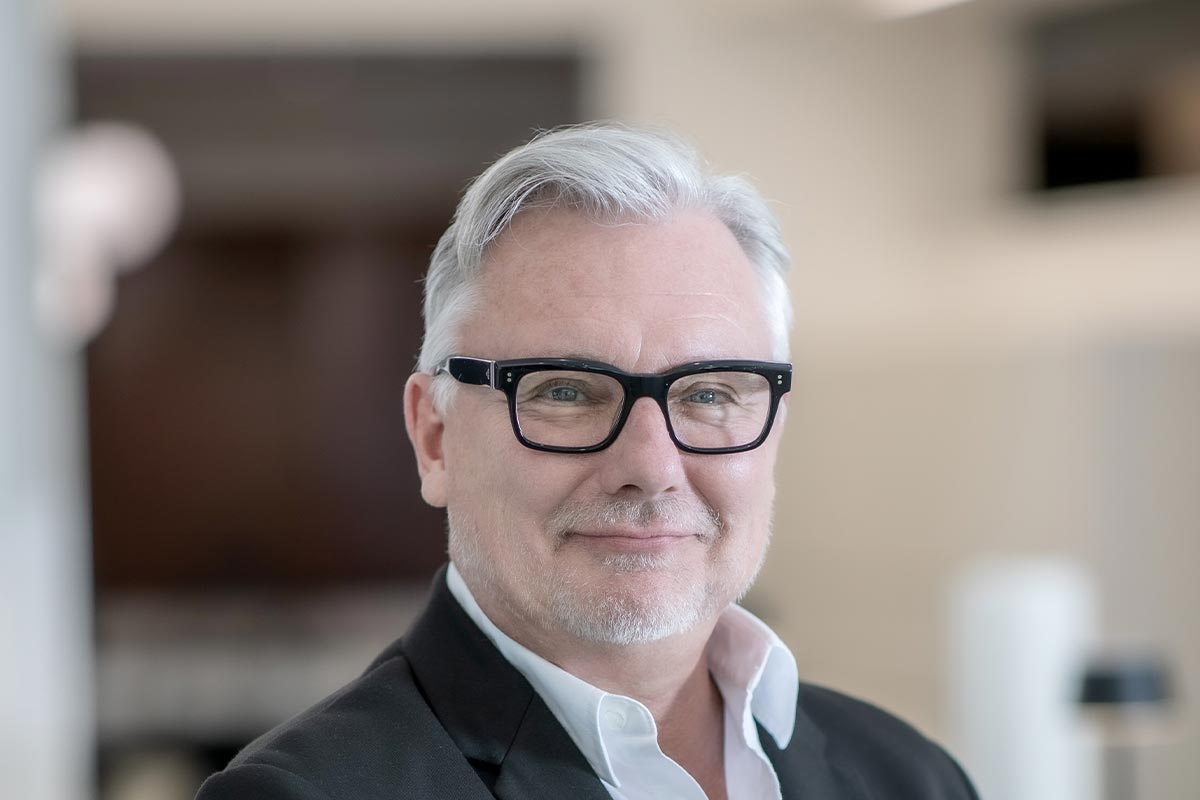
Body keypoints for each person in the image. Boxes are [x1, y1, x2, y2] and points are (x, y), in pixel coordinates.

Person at [196, 123, 977, 800]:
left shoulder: (913, 778)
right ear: (435, 438)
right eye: (566, 391)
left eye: (708, 394)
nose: (652, 464)